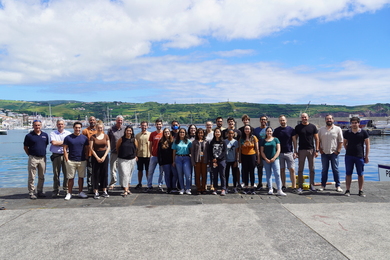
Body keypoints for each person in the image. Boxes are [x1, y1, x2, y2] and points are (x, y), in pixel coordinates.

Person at [343, 117, 370, 197]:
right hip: (349, 156)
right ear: (351, 124)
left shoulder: (364, 133)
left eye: (356, 123)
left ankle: (360, 190)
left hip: (360, 156)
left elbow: (367, 145)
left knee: (360, 174)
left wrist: (366, 156)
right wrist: (348, 149)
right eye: (353, 123)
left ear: (359, 123)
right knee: (348, 173)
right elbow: (344, 143)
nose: (354, 124)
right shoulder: (347, 133)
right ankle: (347, 190)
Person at [63, 122, 89, 200]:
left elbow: (87, 148)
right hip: (71, 160)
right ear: (73, 128)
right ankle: (69, 193)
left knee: (81, 177)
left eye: (79, 128)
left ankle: (80, 192)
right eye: (76, 127)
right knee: (70, 178)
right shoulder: (68, 138)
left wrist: (86, 157)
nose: (77, 129)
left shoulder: (84, 138)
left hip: (82, 160)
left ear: (81, 128)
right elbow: (65, 148)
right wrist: (67, 159)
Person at [23, 119, 49, 199]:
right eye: (36, 125)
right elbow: (25, 147)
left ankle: (40, 191)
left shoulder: (45, 135)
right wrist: (30, 155)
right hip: (33, 157)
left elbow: (46, 144)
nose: (37, 127)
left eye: (38, 125)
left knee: (42, 176)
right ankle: (31, 192)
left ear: (41, 126)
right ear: (33, 126)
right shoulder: (29, 136)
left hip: (42, 158)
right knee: (32, 176)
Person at [294, 113, 319, 194]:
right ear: (301, 118)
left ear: (308, 117)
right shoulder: (298, 127)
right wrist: (295, 150)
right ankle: (300, 186)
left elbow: (316, 139)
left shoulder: (312, 127)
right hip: (301, 150)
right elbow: (295, 139)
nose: (304, 118)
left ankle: (312, 185)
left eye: (305, 117)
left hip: (311, 150)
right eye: (302, 117)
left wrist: (317, 150)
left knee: (312, 168)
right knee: (300, 169)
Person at [318, 115, 343, 192]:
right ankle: (323, 185)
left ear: (333, 120)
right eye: (327, 119)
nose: (329, 120)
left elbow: (341, 141)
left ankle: (338, 186)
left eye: (330, 119)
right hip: (324, 153)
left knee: (335, 169)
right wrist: (320, 150)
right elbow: (318, 140)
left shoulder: (338, 129)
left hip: (334, 153)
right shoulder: (321, 129)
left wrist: (338, 151)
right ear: (325, 120)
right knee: (324, 170)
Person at [273, 115, 297, 192]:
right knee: (282, 170)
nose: (282, 122)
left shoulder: (291, 130)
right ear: (279, 121)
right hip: (280, 153)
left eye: (283, 120)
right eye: (280, 120)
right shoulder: (276, 130)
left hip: (289, 152)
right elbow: (274, 141)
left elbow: (294, 141)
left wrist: (295, 151)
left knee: (292, 169)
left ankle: (294, 186)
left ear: (286, 120)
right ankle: (283, 185)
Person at [260, 127, 287, 196]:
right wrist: (265, 158)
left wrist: (274, 158)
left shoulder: (276, 139)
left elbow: (278, 150)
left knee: (277, 174)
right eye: (268, 131)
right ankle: (270, 188)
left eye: (270, 131)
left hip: (275, 160)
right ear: (266, 132)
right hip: (266, 160)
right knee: (268, 175)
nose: (269, 132)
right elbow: (262, 151)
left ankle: (279, 189)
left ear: (272, 132)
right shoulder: (263, 141)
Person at [49, 120, 71, 197]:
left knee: (67, 174)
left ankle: (66, 189)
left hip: (66, 155)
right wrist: (64, 143)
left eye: (61, 124)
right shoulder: (53, 133)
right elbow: (54, 143)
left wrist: (60, 143)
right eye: (59, 124)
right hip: (56, 155)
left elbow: (70, 144)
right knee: (56, 174)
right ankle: (55, 190)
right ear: (56, 125)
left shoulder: (68, 133)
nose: (60, 125)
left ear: (64, 125)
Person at [90, 121, 110, 199]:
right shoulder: (92, 137)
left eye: (101, 128)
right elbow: (91, 148)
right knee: (96, 174)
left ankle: (104, 190)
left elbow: (108, 147)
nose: (100, 129)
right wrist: (97, 157)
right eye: (98, 128)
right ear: (96, 128)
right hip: (96, 156)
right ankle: (96, 191)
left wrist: (104, 156)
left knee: (104, 173)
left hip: (104, 155)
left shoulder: (106, 136)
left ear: (103, 128)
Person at [116, 125, 138, 197]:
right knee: (125, 174)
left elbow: (136, 148)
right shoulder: (121, 139)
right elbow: (117, 148)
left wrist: (136, 156)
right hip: (122, 159)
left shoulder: (134, 140)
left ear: (132, 132)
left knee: (129, 175)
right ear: (125, 131)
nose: (129, 132)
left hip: (131, 159)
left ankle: (127, 188)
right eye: (127, 130)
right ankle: (125, 190)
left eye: (130, 131)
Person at [239, 125, 260, 195]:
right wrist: (239, 158)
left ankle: (252, 188)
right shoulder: (241, 138)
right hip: (244, 156)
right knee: (245, 172)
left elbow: (257, 149)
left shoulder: (254, 138)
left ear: (250, 130)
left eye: (248, 129)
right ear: (244, 130)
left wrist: (258, 158)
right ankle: (246, 187)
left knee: (252, 172)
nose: (247, 130)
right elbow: (239, 149)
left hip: (252, 156)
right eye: (245, 129)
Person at [145, 119, 164, 192]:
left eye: (160, 124)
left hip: (162, 156)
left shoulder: (164, 133)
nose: (158, 125)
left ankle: (160, 185)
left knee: (161, 172)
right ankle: (149, 185)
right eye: (157, 124)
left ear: (162, 125)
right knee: (150, 171)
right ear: (155, 125)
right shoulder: (152, 134)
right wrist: (150, 153)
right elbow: (150, 144)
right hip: (154, 155)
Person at [172, 128, 192, 195]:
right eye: (180, 132)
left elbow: (191, 151)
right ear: (179, 133)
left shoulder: (188, 141)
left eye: (183, 132)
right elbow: (174, 152)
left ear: (185, 133)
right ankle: (182, 188)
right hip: (178, 158)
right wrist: (173, 161)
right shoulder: (176, 141)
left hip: (186, 158)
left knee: (187, 174)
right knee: (180, 175)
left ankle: (188, 188)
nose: (182, 133)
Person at [107, 115, 125, 190]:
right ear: (116, 121)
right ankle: (112, 183)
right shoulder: (111, 129)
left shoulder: (125, 129)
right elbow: (108, 140)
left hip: (123, 153)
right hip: (114, 152)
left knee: (122, 170)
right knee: (113, 169)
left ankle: (123, 184)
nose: (120, 122)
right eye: (118, 120)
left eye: (121, 120)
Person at [208, 128, 227, 196]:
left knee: (222, 175)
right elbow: (210, 152)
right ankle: (215, 188)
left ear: (220, 133)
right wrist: (213, 159)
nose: (217, 133)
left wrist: (218, 158)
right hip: (214, 161)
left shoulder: (223, 142)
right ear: (214, 133)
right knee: (214, 175)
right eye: (216, 132)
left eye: (218, 132)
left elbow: (224, 152)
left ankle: (223, 189)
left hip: (221, 160)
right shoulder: (212, 142)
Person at [158, 128, 177, 194]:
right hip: (165, 161)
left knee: (175, 174)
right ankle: (169, 187)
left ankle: (174, 186)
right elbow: (159, 152)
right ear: (163, 133)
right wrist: (160, 162)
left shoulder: (173, 141)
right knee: (167, 175)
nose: (167, 133)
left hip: (173, 160)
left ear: (170, 132)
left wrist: (175, 160)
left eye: (168, 132)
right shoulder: (161, 141)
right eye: (165, 132)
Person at [191, 128, 209, 194]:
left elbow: (208, 151)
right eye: (199, 133)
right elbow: (192, 153)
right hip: (197, 160)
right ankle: (198, 188)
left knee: (204, 175)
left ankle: (203, 188)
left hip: (204, 160)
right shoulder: (194, 142)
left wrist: (208, 160)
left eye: (201, 133)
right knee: (197, 175)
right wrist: (193, 162)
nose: (200, 134)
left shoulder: (206, 142)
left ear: (204, 133)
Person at [81, 116, 97, 193]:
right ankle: (90, 187)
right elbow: (82, 144)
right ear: (88, 121)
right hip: (89, 154)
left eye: (93, 120)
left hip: (98, 154)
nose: (92, 121)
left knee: (98, 171)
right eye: (90, 120)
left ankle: (97, 186)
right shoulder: (85, 131)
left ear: (96, 121)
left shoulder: (99, 130)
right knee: (90, 171)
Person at [135, 121, 151, 189]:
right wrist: (135, 155)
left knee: (148, 170)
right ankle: (139, 183)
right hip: (139, 155)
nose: (144, 127)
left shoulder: (150, 134)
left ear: (147, 126)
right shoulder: (137, 135)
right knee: (140, 170)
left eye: (145, 125)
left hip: (148, 155)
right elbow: (135, 146)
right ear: (140, 126)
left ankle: (148, 183)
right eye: (142, 125)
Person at [254, 115, 268, 190]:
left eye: (264, 119)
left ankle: (269, 184)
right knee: (259, 168)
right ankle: (260, 183)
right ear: (260, 121)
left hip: (268, 152)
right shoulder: (256, 130)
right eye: (262, 119)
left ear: (267, 121)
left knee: (268, 169)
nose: (263, 121)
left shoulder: (269, 129)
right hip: (259, 152)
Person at [224, 129, 239, 193]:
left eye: (232, 133)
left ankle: (234, 187)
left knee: (234, 174)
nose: (230, 135)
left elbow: (237, 152)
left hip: (233, 160)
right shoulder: (224, 141)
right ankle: (226, 187)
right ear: (227, 134)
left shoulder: (235, 142)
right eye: (229, 133)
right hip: (226, 160)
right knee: (226, 174)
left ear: (234, 134)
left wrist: (236, 161)